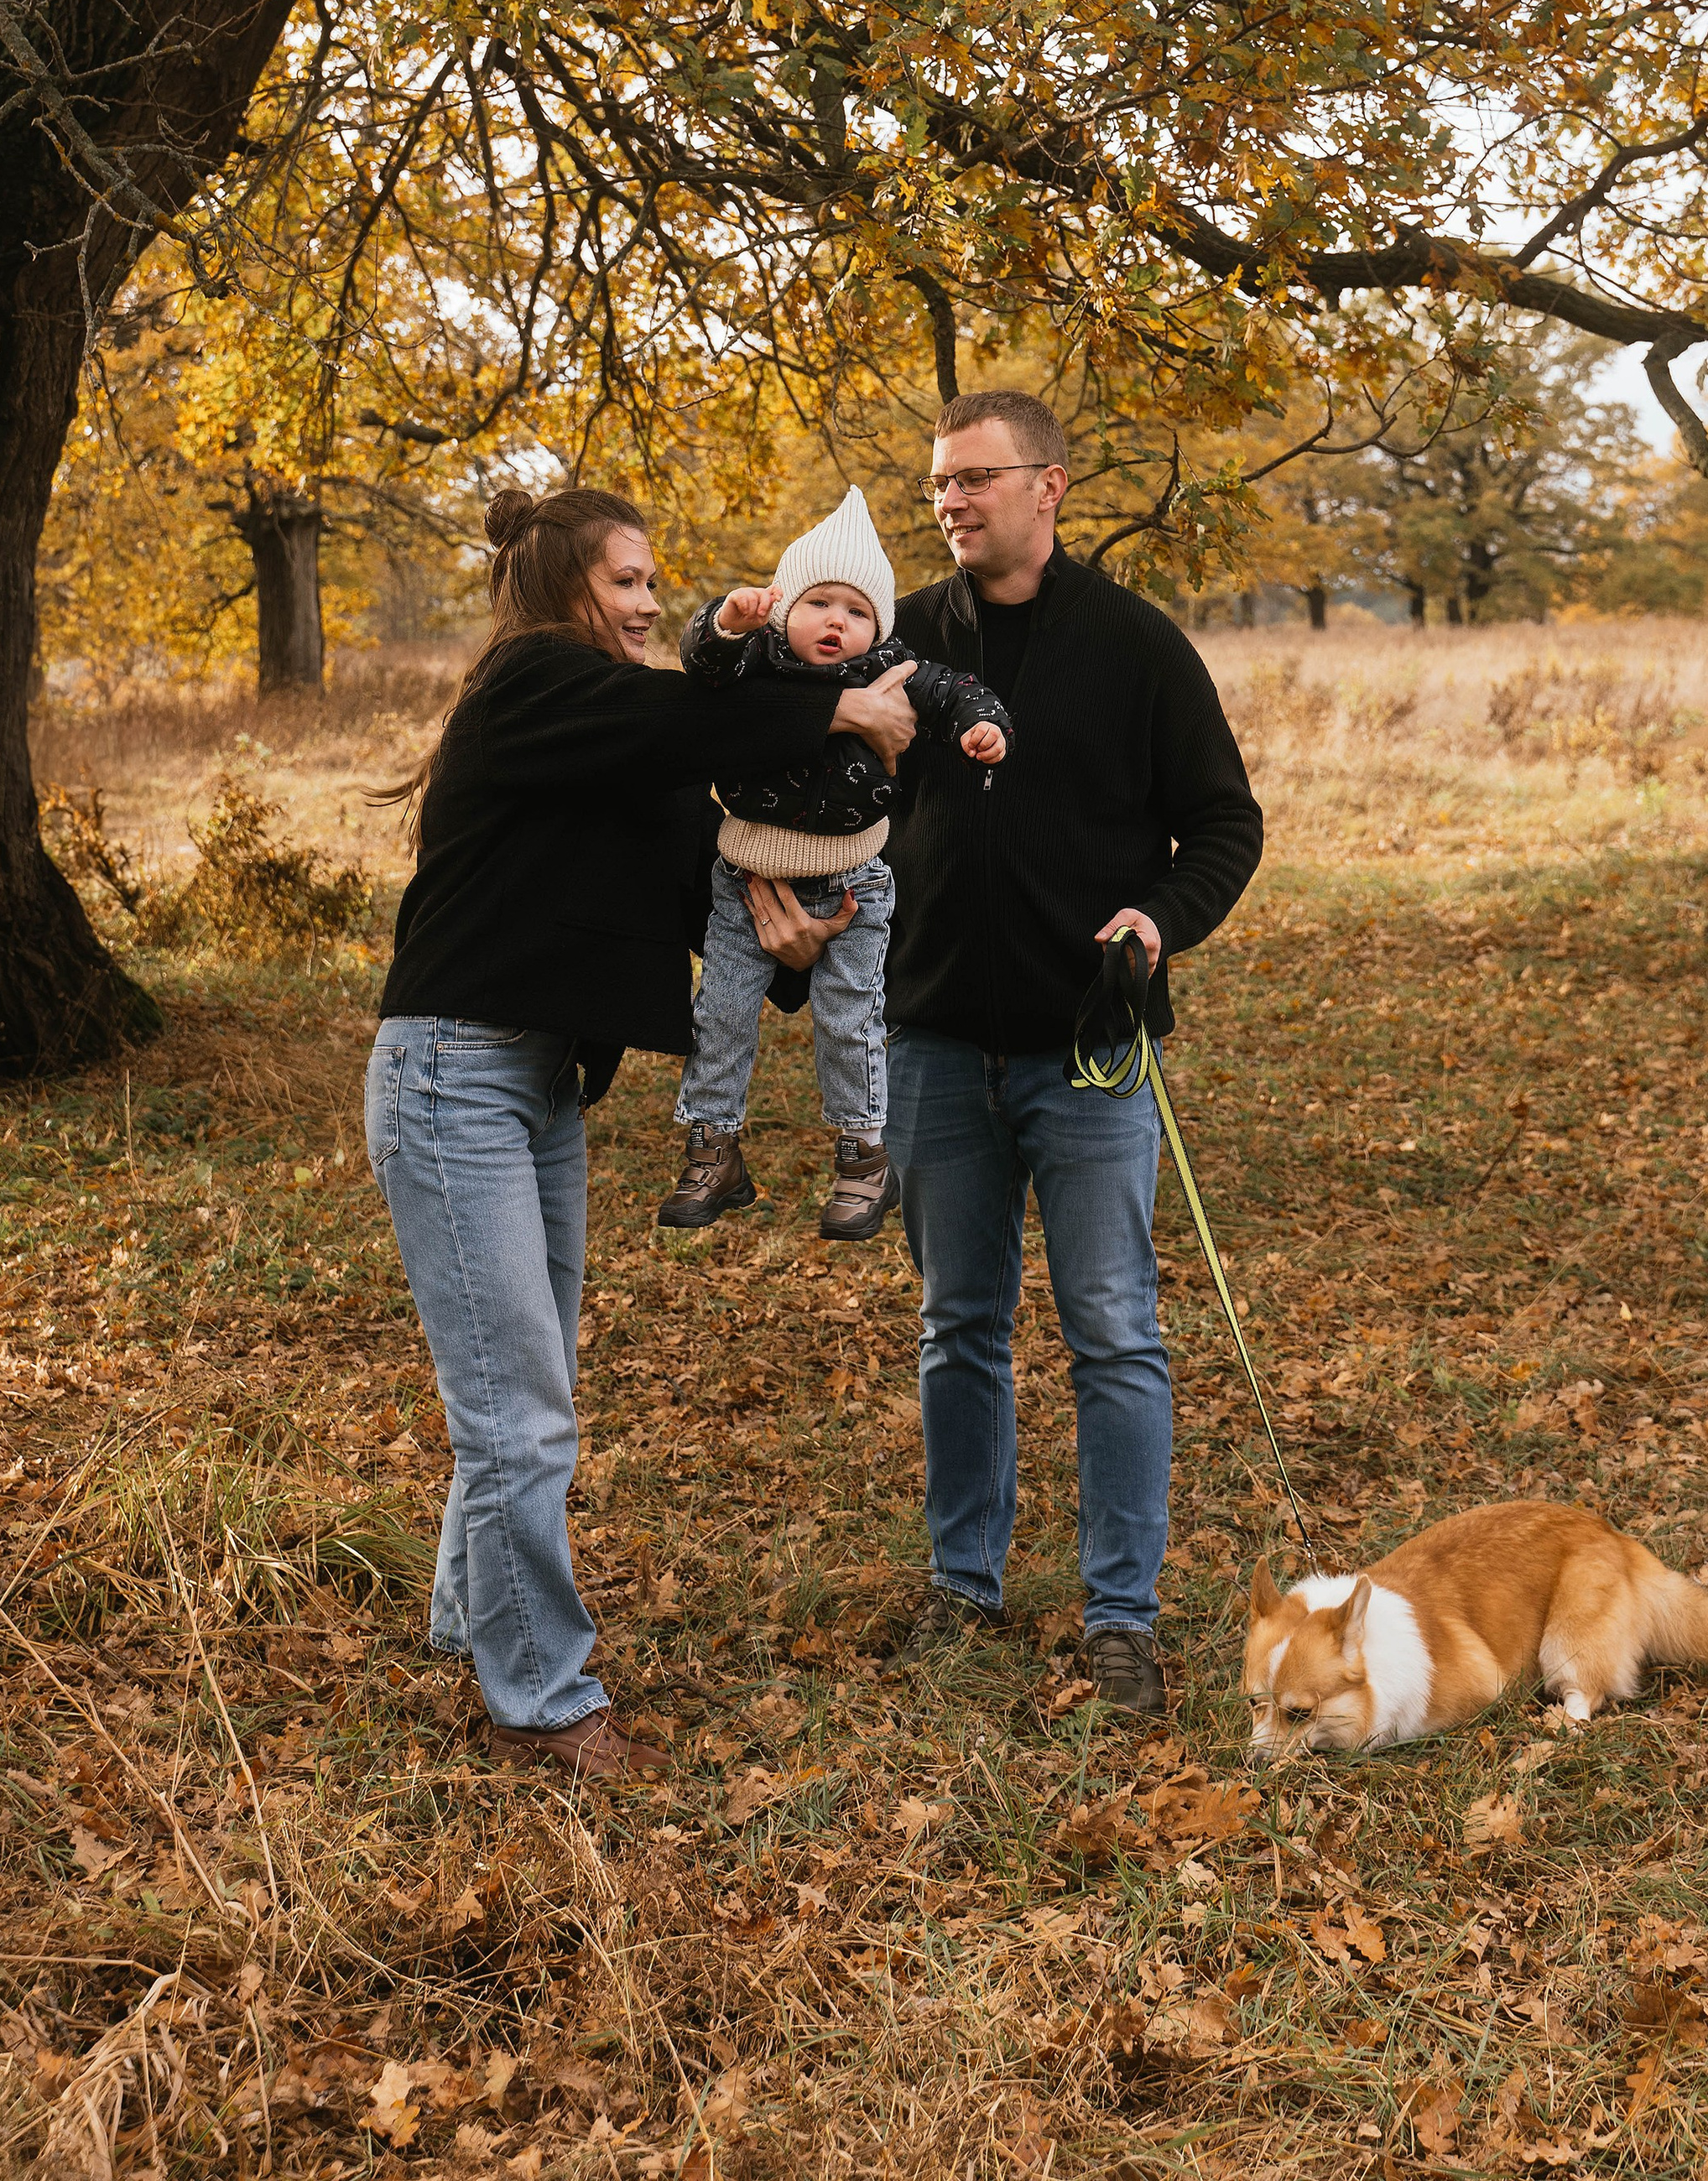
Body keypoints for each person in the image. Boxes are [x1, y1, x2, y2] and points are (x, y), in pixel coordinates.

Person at [364, 483, 916, 1779]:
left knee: (521, 1392)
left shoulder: (619, 740)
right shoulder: (534, 686)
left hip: (539, 1086)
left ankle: (469, 1629)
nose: (650, 602)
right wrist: (838, 702)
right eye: (626, 580)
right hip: (452, 1078)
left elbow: (713, 879)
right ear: (562, 587)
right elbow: (681, 717)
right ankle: (544, 1703)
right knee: (520, 1412)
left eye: (653, 582)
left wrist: (791, 940)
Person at [752, 391, 1263, 1720]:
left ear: (1049, 486)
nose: (950, 501)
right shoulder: (898, 639)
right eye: (938, 484)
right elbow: (816, 798)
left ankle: (1121, 1617)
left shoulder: (1137, 646)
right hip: (928, 1043)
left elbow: (1224, 824)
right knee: (958, 1326)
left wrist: (1160, 918)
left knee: (1114, 1333)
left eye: (974, 478)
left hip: (1087, 1050)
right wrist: (795, 922)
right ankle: (961, 1586)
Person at [655, 485, 1012, 1242]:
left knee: (849, 1023)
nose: (836, 622)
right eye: (819, 603)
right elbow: (701, 667)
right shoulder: (755, 659)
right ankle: (712, 1147)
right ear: (785, 607)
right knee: (720, 1015)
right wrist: (725, 622)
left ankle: (863, 1157)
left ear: (877, 626)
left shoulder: (894, 669)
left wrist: (982, 727)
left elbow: (958, 691)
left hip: (853, 879)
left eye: (856, 611)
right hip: (746, 878)